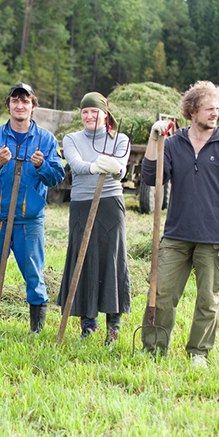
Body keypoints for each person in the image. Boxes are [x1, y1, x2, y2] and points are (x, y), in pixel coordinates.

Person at [140, 81, 219, 367]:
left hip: (214, 238)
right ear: (192, 111)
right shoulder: (174, 144)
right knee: (161, 294)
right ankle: (153, 349)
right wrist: (154, 140)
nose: (215, 113)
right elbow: (153, 178)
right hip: (177, 235)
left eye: (217, 108)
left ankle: (198, 352)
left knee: (207, 300)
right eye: (208, 108)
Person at [0, 83, 65, 334]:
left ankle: (36, 328)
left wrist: (42, 166)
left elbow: (57, 176)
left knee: (34, 274)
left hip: (29, 220)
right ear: (8, 105)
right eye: (15, 101)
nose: (20, 106)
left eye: (25, 101)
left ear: (33, 106)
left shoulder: (45, 139)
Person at [57, 92, 132, 344]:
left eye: (94, 111)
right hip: (81, 204)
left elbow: (120, 168)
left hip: (110, 205)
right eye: (85, 112)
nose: (89, 116)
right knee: (83, 259)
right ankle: (87, 326)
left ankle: (114, 327)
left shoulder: (120, 139)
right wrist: (98, 166)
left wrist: (115, 168)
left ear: (105, 113)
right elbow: (76, 165)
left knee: (111, 259)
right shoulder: (71, 139)